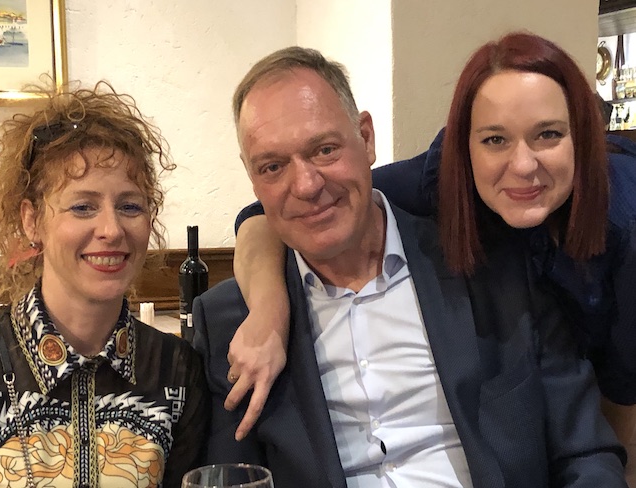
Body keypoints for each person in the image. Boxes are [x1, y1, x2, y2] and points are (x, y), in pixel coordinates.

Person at [193, 46, 627, 487]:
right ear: (251, 176)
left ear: (366, 138)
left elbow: (586, 455)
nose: (306, 185)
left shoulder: (495, 266)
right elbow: (231, 478)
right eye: (272, 166)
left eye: (324, 150)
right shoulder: (231, 324)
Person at [0, 82, 207, 487]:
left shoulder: (177, 370)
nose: (111, 229)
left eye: (129, 206)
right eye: (83, 206)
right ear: (32, 220)